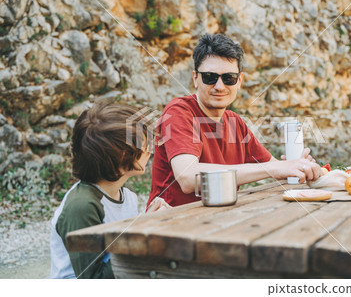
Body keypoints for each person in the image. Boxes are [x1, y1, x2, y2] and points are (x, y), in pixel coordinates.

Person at [147, 34, 323, 208]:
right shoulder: (179, 112)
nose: (219, 86)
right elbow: (187, 177)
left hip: (216, 220)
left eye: (228, 78)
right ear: (195, 78)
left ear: (239, 81)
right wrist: (277, 169)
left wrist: (298, 167)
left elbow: (274, 167)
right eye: (210, 77)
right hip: (169, 223)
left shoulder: (235, 123)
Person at [50, 103, 169, 279]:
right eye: (142, 141)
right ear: (121, 155)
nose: (150, 146)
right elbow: (92, 279)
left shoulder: (126, 191)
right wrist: (144, 235)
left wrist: (144, 222)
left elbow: (121, 241)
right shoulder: (82, 207)